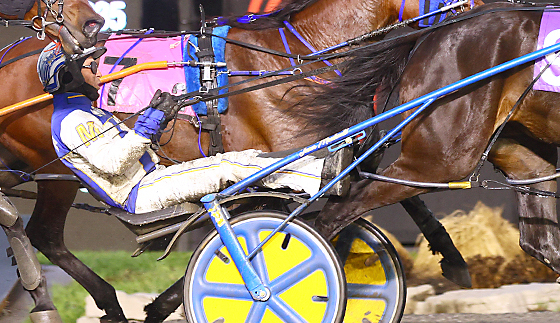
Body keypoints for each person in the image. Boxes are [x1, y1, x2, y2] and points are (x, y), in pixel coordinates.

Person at [39, 42, 346, 214]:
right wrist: (147, 125)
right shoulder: (71, 121)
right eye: (90, 67)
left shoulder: (84, 112)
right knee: (225, 165)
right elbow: (114, 162)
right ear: (70, 77)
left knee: (236, 160)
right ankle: (319, 175)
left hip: (149, 180)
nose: (97, 71)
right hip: (141, 192)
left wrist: (158, 118)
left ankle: (311, 170)